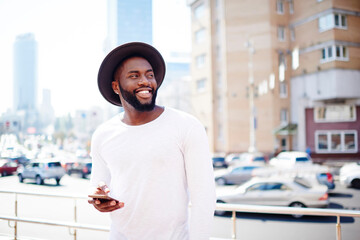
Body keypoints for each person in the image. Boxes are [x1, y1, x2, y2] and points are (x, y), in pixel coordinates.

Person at [88, 42, 216, 240]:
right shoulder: (103, 134)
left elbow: (204, 197)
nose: (145, 81)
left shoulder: (186, 125)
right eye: (134, 75)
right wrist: (100, 199)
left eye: (149, 75)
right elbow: (99, 184)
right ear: (116, 86)